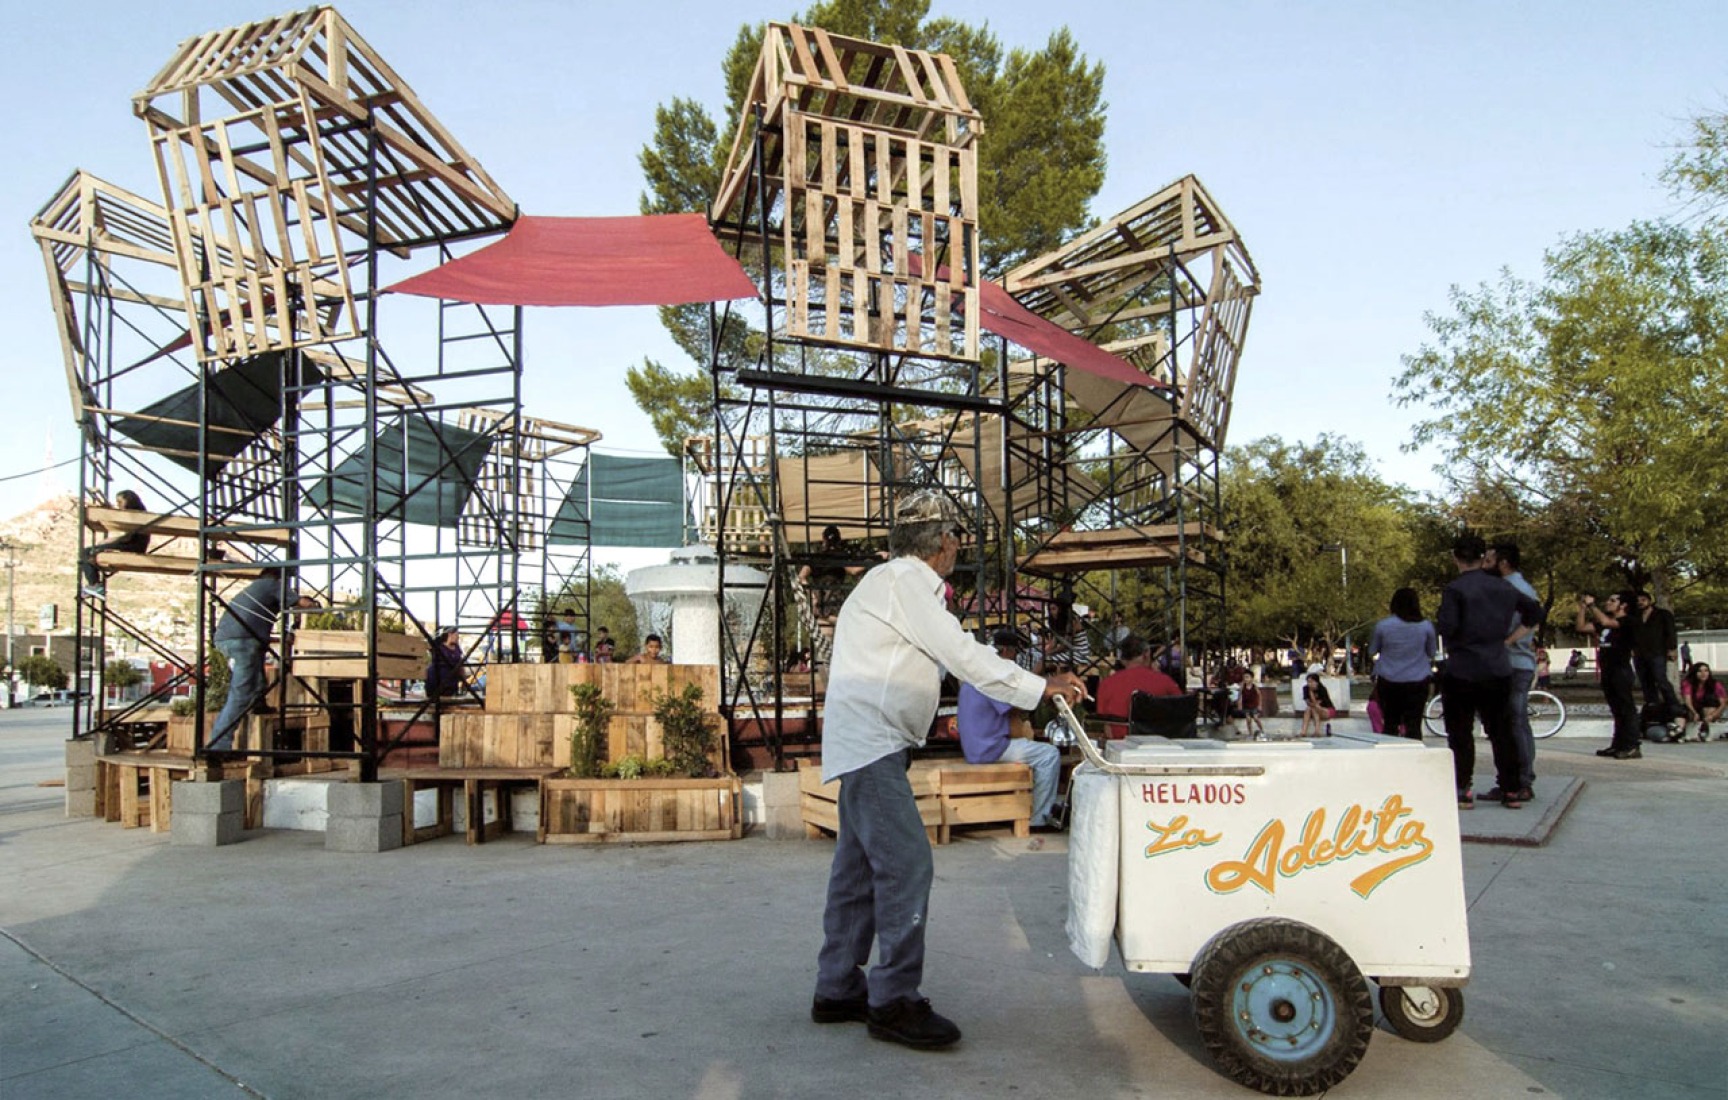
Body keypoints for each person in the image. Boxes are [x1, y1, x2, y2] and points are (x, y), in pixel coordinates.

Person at [811, 489, 1087, 1051]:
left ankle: (838, 987)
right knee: (907, 866)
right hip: (872, 744)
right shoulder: (906, 584)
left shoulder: (891, 583)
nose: (958, 545)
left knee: (859, 872)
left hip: (867, 742)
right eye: (957, 536)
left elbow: (952, 653)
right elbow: (962, 654)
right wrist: (1040, 687)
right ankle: (892, 1000)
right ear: (943, 542)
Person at [1435, 533, 1543, 809]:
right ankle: (1510, 788)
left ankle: (1463, 788)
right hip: (1497, 664)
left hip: (1462, 666)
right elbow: (1533, 612)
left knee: (1460, 732)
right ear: (1484, 557)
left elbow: (1447, 627)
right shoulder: (1504, 588)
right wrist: (1508, 638)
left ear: (1455, 557)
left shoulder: (1455, 589)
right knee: (1501, 730)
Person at [955, 628, 1061, 829]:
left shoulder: (977, 674)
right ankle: (1040, 818)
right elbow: (1017, 706)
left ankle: (1035, 806)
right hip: (990, 748)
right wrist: (1039, 684)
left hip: (976, 746)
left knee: (1033, 751)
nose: (1015, 659)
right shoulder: (993, 677)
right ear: (1005, 651)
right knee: (1049, 754)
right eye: (1014, 653)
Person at [208, 571, 316, 753]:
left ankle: (259, 705)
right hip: (243, 642)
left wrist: (282, 639)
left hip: (231, 640)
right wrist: (313, 604)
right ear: (279, 578)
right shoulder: (272, 585)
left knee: (257, 678)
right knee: (240, 694)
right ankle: (218, 747)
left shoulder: (254, 591)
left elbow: (256, 631)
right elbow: (301, 603)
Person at [1483, 541, 1542, 799]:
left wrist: (1504, 642)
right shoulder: (1522, 586)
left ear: (1503, 563)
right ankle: (1522, 777)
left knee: (1512, 723)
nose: (1485, 565)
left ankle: (1520, 780)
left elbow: (1531, 618)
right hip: (1518, 662)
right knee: (1518, 723)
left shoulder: (1511, 589)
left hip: (1511, 663)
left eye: (1489, 560)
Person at [1576, 593, 1642, 759]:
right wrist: (1583, 608)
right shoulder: (1603, 623)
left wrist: (1592, 606)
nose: (1608, 602)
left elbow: (1607, 621)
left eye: (1613, 601)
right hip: (1608, 669)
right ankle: (1618, 744)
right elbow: (1581, 627)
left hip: (1621, 669)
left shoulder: (1628, 621)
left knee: (1626, 708)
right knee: (1616, 709)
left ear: (1624, 605)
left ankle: (1632, 745)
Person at [1367, 587, 1436, 742]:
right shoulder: (1426, 626)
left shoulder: (1383, 626)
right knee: (1414, 725)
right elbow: (1432, 652)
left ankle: (1392, 755)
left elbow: (1372, 650)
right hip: (1418, 680)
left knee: (1390, 723)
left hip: (1389, 680)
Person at [1094, 635, 1184, 738]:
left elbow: (1106, 724)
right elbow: (1181, 712)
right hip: (1160, 742)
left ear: (1123, 660)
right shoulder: (1165, 681)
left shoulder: (1107, 684)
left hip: (1122, 744)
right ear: (1146, 654)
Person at [80, 489, 151, 599]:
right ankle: (94, 584)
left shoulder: (135, 514)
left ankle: (94, 584)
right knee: (90, 553)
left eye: (120, 502)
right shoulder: (139, 513)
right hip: (132, 545)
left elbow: (129, 538)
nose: (118, 505)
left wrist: (111, 541)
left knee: (87, 552)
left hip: (132, 546)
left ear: (129, 501)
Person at [1629, 590, 1682, 729]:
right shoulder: (1635, 616)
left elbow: (1670, 632)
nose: (1640, 602)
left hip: (1657, 652)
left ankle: (1674, 705)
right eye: (1638, 600)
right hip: (1640, 653)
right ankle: (1652, 705)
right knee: (1646, 682)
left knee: (1661, 679)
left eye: (1643, 600)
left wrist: (1672, 649)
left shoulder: (1663, 614)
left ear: (1649, 600)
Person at [1678, 661, 1725, 742]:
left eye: (1706, 671)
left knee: (1710, 700)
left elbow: (1723, 703)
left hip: (1710, 710)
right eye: (1700, 671)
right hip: (1694, 707)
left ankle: (1707, 727)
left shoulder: (1716, 684)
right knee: (1686, 711)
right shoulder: (1688, 683)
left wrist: (1713, 715)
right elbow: (1687, 700)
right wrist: (1694, 712)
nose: (1703, 674)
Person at [425, 626, 467, 697]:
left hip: (451, 682)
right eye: (456, 635)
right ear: (450, 634)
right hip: (437, 680)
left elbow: (460, 665)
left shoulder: (457, 648)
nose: (458, 637)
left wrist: (464, 680)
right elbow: (428, 644)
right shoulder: (439, 647)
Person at [1299, 673, 1334, 737]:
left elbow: (1317, 703)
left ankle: (1317, 731)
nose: (1310, 684)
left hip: (1327, 710)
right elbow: (1308, 702)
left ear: (1317, 682)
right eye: (1308, 682)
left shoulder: (1322, 689)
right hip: (1314, 709)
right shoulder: (1305, 688)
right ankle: (1303, 731)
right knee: (1309, 709)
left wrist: (1311, 693)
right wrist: (1310, 692)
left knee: (1314, 708)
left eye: (1312, 682)